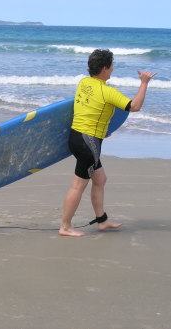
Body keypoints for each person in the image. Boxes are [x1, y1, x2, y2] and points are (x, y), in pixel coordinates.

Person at [59, 49, 156, 237]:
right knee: (78, 186)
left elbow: (91, 107)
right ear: (104, 68)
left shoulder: (84, 82)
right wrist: (144, 83)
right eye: (111, 66)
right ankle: (65, 226)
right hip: (89, 144)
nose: (112, 69)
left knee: (100, 179)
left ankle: (102, 221)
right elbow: (134, 106)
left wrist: (103, 130)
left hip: (77, 137)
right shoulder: (107, 91)